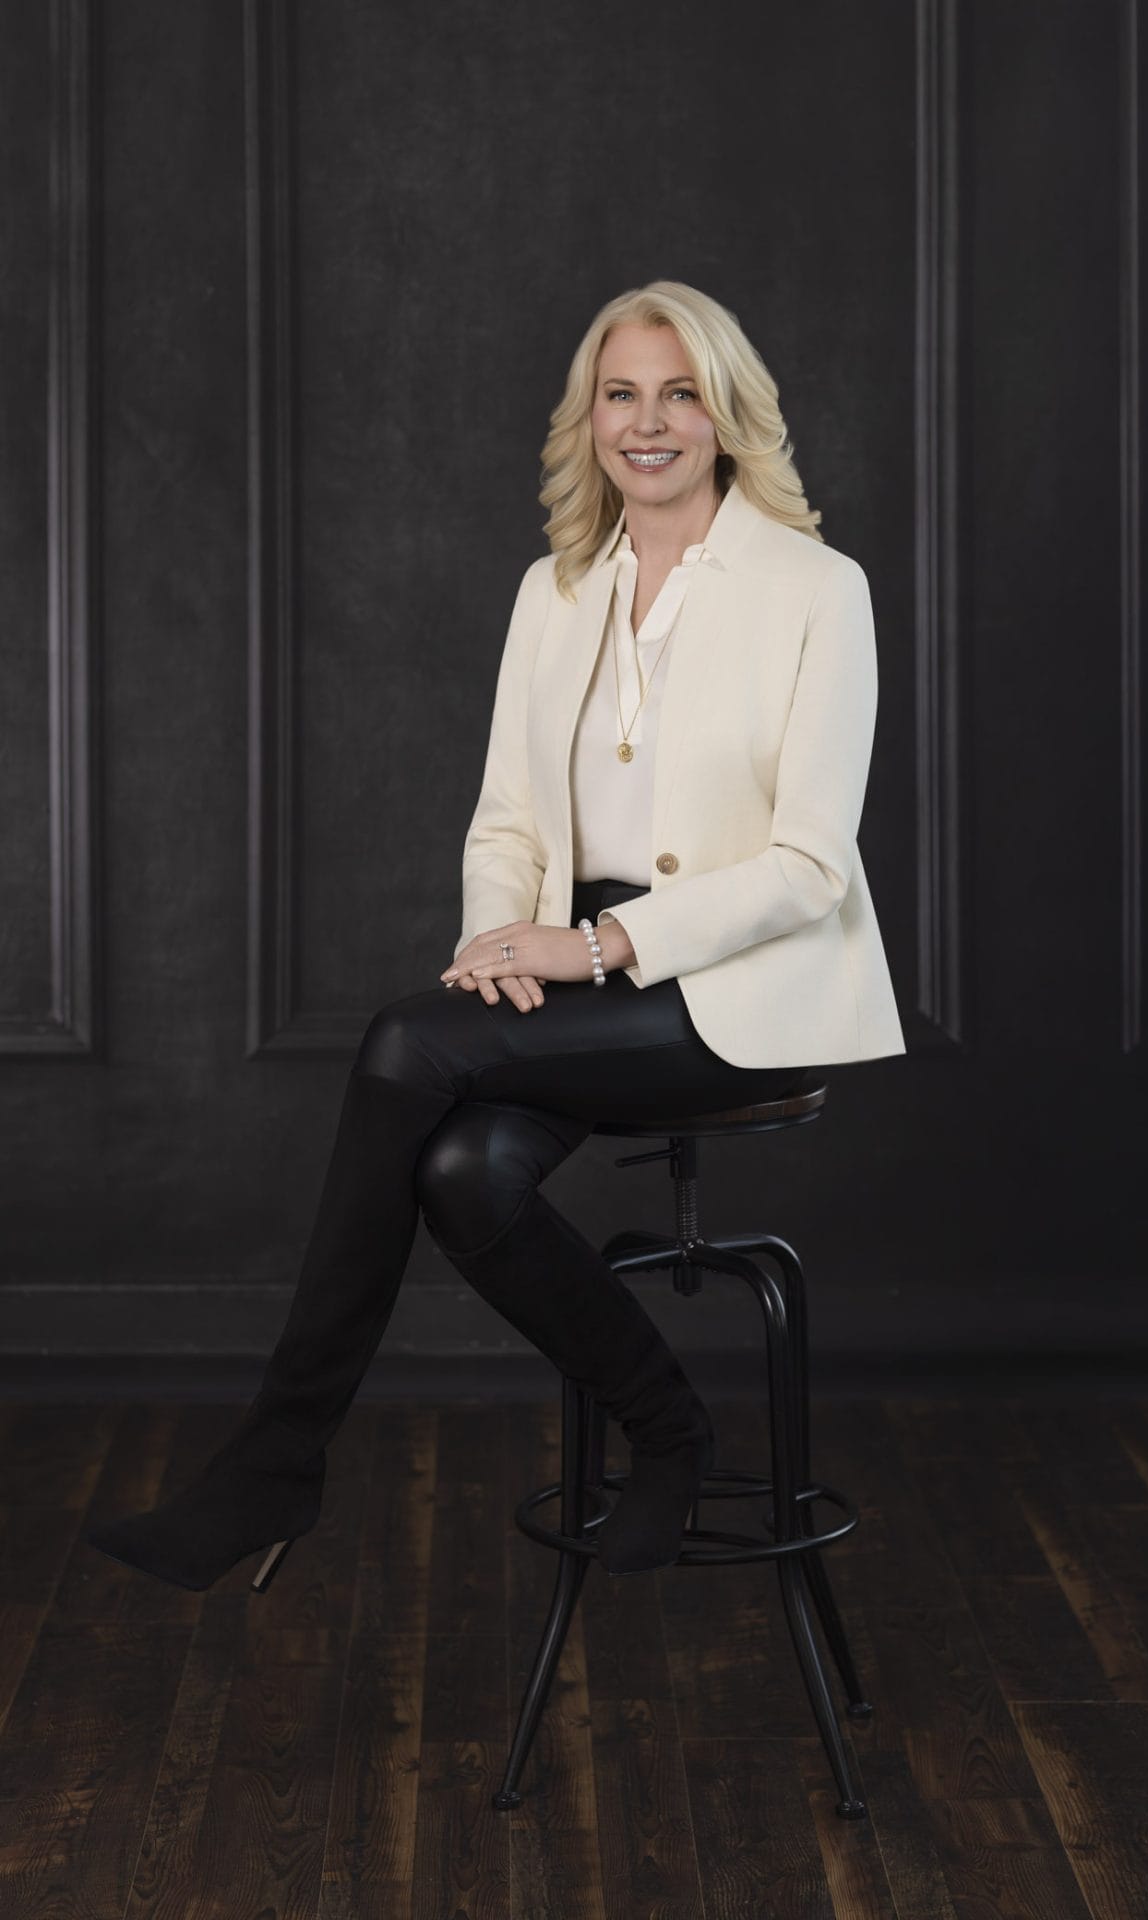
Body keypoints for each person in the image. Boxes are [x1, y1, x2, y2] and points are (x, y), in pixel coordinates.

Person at [86, 279, 905, 1594]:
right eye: (621, 395)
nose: (649, 423)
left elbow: (811, 867)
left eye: (681, 394)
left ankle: (277, 1461)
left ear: (728, 415)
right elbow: (509, 820)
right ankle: (669, 1429)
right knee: (465, 1171)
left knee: (406, 1042)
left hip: (739, 987)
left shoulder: (818, 589)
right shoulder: (556, 589)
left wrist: (596, 947)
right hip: (573, 970)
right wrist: (497, 945)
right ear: (590, 419)